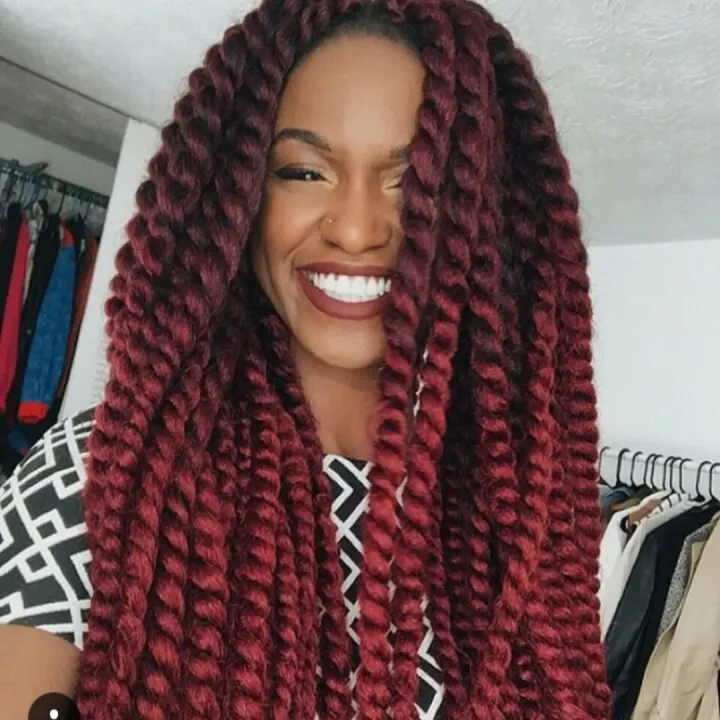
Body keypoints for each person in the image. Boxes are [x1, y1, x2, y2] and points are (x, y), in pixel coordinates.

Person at [0, 0, 612, 718]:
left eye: (419, 181)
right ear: (238, 198)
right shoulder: (102, 474)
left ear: (482, 215)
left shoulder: (516, 508)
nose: (357, 229)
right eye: (303, 172)